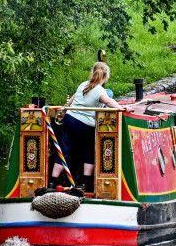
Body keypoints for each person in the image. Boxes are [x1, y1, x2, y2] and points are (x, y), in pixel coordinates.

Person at [49, 62, 128, 191]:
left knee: (64, 151)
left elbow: (70, 102)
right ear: (106, 75)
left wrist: (64, 112)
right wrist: (122, 108)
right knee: (89, 152)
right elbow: (108, 101)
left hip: (69, 120)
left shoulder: (83, 84)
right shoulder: (99, 90)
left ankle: (53, 182)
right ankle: (85, 183)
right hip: (83, 124)